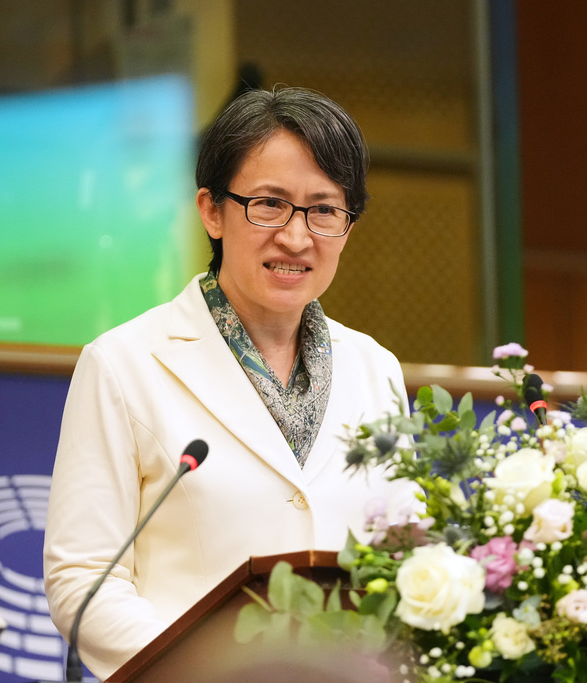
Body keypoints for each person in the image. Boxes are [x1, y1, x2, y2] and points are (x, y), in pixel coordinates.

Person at [43, 86, 416, 680]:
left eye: (324, 210)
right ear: (212, 211)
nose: (296, 237)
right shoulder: (123, 364)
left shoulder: (376, 368)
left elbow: (410, 562)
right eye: (269, 204)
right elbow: (83, 579)